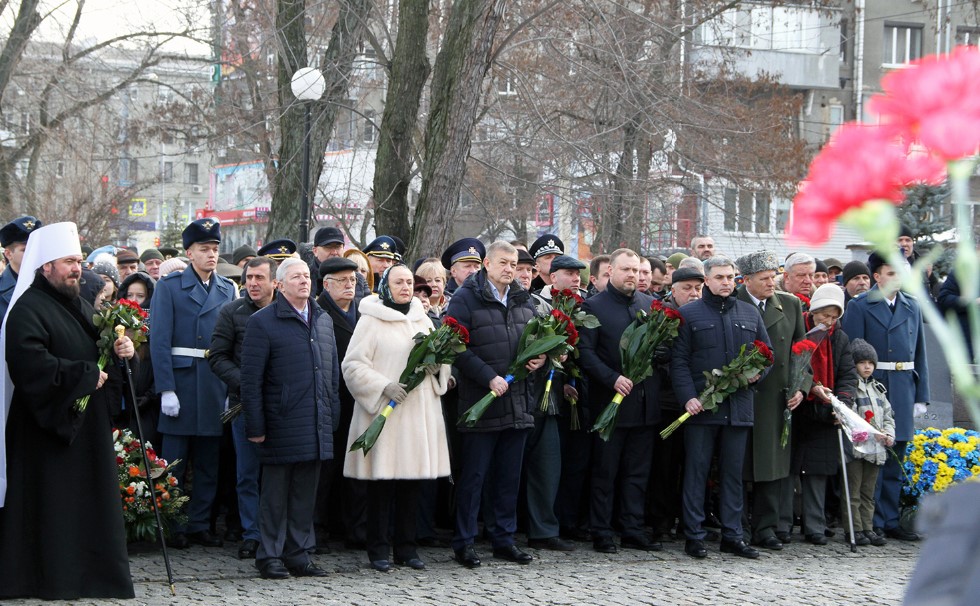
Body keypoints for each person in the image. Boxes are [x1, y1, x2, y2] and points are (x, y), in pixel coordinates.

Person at [0, 222, 136, 599]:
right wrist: (83, 375)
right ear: (46, 267)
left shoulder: (77, 303)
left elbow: (100, 354)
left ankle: (92, 575)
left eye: (79, 261)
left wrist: (123, 351)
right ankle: (52, 578)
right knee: (54, 508)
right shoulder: (28, 308)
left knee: (86, 505)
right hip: (45, 431)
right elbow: (28, 364)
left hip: (84, 424)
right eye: (69, 262)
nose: (78, 269)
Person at [342, 265, 452, 571]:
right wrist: (383, 386)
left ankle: (407, 548)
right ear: (386, 287)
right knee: (381, 487)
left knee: (412, 487)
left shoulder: (422, 318)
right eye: (398, 282)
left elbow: (441, 360)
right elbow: (352, 366)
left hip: (418, 416)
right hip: (386, 414)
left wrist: (437, 368)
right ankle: (378, 549)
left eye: (408, 281)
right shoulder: (371, 321)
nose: (405, 287)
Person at [447, 240, 545, 568]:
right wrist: (488, 377)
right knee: (474, 477)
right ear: (486, 263)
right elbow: (456, 348)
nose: (509, 269)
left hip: (517, 402)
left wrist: (539, 359)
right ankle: (464, 541)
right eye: (503, 262)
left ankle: (503, 538)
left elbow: (533, 341)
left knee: (508, 477)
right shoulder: (465, 298)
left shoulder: (523, 299)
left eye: (514, 264)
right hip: (481, 401)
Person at [240, 258, 340, 579]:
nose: (304, 281)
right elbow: (251, 381)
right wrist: (256, 427)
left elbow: (332, 375)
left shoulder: (323, 320)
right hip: (281, 423)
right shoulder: (262, 322)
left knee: (303, 495)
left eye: (307, 276)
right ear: (280, 285)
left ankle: (298, 554)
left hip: (316, 423)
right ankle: (269, 555)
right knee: (274, 496)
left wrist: (332, 415)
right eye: (296, 277)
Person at [672, 255, 771, 560]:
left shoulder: (749, 312)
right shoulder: (689, 314)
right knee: (697, 473)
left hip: (738, 407)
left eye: (730, 277)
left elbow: (767, 353)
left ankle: (733, 535)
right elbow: (679, 362)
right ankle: (694, 535)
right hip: (701, 407)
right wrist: (688, 397)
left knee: (732, 475)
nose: (726, 282)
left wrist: (758, 374)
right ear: (707, 280)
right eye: (719, 278)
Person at [150, 218, 237, 549]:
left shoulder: (227, 288)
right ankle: (172, 524)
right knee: (174, 462)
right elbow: (159, 340)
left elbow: (231, 343)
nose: (211, 255)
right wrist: (166, 389)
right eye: (204, 249)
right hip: (183, 381)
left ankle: (200, 523)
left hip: (214, 380)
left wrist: (230, 388)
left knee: (208, 462)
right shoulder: (170, 287)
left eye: (215, 249)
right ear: (189, 252)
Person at [840, 252, 928, 542]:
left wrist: (921, 395)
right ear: (876, 277)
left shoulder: (911, 305)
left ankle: (890, 519)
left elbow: (920, 353)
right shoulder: (860, 306)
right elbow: (853, 352)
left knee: (896, 455)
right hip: (873, 388)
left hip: (903, 387)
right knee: (872, 458)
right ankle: (870, 521)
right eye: (891, 273)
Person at [580, 248, 662, 553]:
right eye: (626, 270)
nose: (633, 276)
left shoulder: (651, 305)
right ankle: (601, 529)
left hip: (644, 404)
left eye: (638, 270)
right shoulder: (594, 307)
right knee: (605, 471)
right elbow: (585, 353)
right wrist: (612, 377)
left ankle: (632, 527)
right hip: (610, 404)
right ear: (610, 271)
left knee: (638, 472)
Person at [734, 251, 807, 550]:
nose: (771, 284)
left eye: (773, 278)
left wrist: (801, 386)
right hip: (739, 394)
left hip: (777, 398)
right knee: (736, 466)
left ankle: (766, 527)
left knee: (772, 467)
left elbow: (801, 351)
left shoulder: (789, 304)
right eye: (763, 279)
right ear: (746, 280)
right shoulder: (733, 302)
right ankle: (736, 527)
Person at [208, 256, 278, 560]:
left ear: (275, 282)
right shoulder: (231, 312)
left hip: (280, 407)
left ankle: (276, 533)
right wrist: (247, 384)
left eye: (259, 278)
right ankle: (252, 534)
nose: (252, 283)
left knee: (277, 475)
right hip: (244, 406)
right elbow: (217, 356)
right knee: (247, 474)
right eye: (248, 278)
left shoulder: (285, 311)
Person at [791, 284, 858, 545]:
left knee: (818, 471)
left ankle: (815, 526)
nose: (828, 321)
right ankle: (785, 522)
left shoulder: (840, 338)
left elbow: (847, 374)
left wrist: (842, 404)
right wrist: (810, 387)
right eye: (824, 315)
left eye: (834, 316)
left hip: (826, 410)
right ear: (814, 310)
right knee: (790, 470)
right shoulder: (802, 329)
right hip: (800, 405)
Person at [314, 256, 367, 549]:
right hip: (328, 397)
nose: (350, 285)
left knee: (355, 463)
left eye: (353, 280)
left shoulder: (364, 312)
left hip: (358, 398)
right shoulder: (318, 311)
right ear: (327, 284)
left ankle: (352, 525)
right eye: (343, 281)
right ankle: (318, 526)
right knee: (326, 466)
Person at [648, 266, 703, 540]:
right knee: (665, 467)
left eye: (697, 288)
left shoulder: (704, 313)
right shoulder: (661, 316)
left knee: (694, 465)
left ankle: (689, 521)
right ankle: (661, 522)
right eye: (687, 288)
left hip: (699, 403)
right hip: (668, 403)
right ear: (673, 290)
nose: (693, 294)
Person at [841, 338, 895, 547]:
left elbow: (888, 416)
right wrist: (873, 433)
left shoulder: (878, 389)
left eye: (871, 363)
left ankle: (868, 527)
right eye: (862, 362)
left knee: (868, 493)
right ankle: (854, 529)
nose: (867, 367)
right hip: (857, 449)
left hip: (876, 450)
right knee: (853, 492)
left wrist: (888, 434)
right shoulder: (852, 388)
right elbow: (852, 418)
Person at [0, 215, 42, 321]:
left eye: (34, 248)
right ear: (8, 254)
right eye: (25, 250)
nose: (32, 254)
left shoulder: (51, 282)